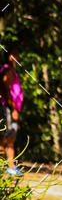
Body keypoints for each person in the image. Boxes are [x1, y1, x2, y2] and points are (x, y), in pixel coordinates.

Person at [0, 45, 23, 176]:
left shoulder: (11, 70)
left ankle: (10, 165)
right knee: (6, 137)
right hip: (7, 107)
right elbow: (6, 85)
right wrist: (12, 107)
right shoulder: (7, 70)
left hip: (8, 106)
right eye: (13, 54)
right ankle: (8, 166)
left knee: (10, 137)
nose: (16, 57)